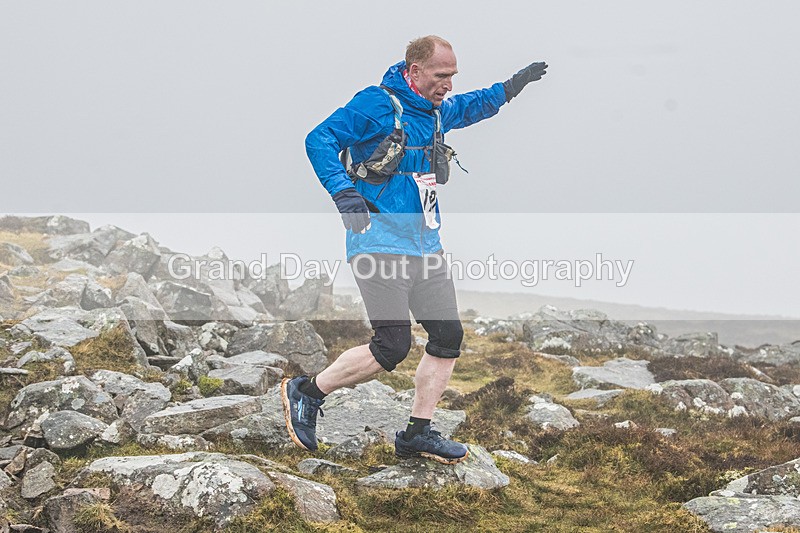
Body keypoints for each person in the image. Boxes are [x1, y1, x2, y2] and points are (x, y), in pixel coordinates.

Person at [282, 35, 547, 464]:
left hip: (427, 245)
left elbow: (476, 104)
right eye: (442, 76)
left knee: (447, 336)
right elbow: (319, 139)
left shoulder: (438, 111)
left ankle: (417, 433)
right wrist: (344, 193)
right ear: (415, 71)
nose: (449, 85)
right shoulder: (378, 103)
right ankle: (307, 392)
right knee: (392, 345)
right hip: (378, 241)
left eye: (453, 76)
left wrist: (512, 87)